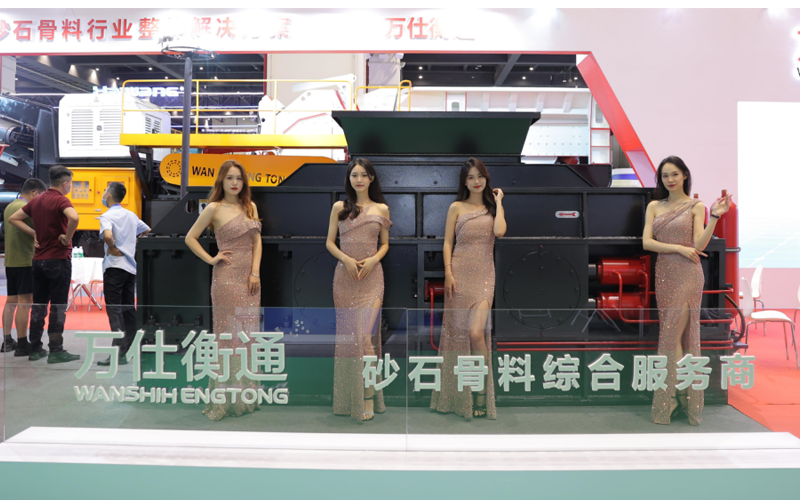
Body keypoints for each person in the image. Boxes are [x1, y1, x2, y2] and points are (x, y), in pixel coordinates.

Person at [642, 156, 731, 426]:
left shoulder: (696, 206)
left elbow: (699, 243)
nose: (670, 179)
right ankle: (680, 396)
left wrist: (714, 216)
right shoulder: (654, 206)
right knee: (673, 337)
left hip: (689, 275)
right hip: (665, 274)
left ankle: (674, 397)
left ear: (684, 176)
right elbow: (647, 243)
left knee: (673, 336)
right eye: (665, 175)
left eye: (674, 174)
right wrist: (679, 248)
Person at [185, 160, 262, 421]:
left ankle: (245, 397)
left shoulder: (250, 206)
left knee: (248, 336)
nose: (234, 183)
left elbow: (257, 242)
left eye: (239, 178)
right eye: (230, 178)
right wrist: (211, 259)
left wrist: (255, 272)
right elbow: (190, 237)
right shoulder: (214, 208)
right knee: (228, 337)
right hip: (226, 279)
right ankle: (223, 398)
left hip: (250, 280)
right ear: (221, 181)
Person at [430, 157, 506, 420]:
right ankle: (459, 395)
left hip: (484, 277)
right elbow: (447, 243)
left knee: (476, 333)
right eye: (471, 177)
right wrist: (448, 273)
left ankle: (481, 394)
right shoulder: (456, 207)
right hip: (459, 276)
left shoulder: (492, 208)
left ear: (486, 179)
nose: (476, 181)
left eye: (480, 176)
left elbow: (500, 232)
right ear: (464, 182)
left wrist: (499, 202)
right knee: (457, 335)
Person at [326, 158, 391, 421]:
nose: (359, 179)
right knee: (349, 340)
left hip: (372, 278)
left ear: (372, 178)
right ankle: (348, 397)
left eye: (364, 175)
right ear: (349, 179)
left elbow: (385, 244)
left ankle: (368, 397)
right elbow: (330, 242)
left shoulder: (382, 209)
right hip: (345, 278)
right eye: (354, 175)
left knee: (366, 339)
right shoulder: (339, 207)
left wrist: (374, 259)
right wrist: (345, 259)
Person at [8, 166, 81, 363]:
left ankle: (35, 349)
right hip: (58, 259)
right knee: (57, 307)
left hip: (38, 261)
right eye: (71, 183)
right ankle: (56, 350)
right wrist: (67, 237)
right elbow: (74, 217)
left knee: (38, 306)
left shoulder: (37, 200)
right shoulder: (61, 200)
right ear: (65, 183)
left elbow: (14, 219)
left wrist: (34, 234)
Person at [96, 182, 150, 366]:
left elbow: (107, 235)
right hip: (130, 267)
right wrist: (134, 242)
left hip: (114, 267)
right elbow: (147, 231)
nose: (103, 194)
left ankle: (118, 352)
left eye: (105, 191)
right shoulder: (131, 215)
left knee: (114, 309)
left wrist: (112, 248)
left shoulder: (107, 215)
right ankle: (132, 348)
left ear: (109, 195)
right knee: (128, 309)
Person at [2, 178, 47, 355]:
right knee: (25, 303)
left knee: (11, 302)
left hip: (11, 261)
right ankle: (22, 344)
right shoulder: (27, 208)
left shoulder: (10, 207)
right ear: (35, 193)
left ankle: (7, 340)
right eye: (41, 196)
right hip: (25, 261)